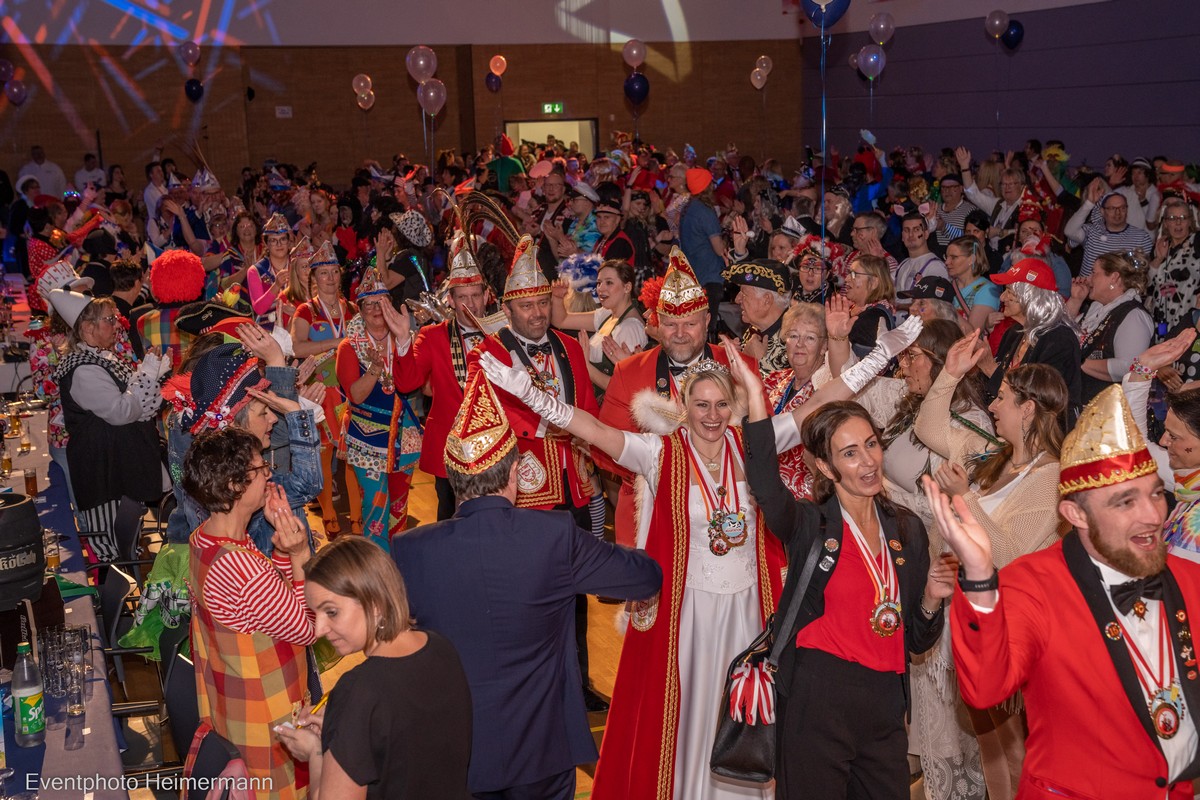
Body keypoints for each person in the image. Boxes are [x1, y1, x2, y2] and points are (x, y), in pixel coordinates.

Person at [484, 312, 927, 800]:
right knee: (690, 716)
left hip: (748, 610)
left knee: (747, 712)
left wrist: (882, 354)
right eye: (701, 405)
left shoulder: (753, 445)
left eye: (720, 404)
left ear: (734, 405)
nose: (712, 416)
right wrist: (528, 393)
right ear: (684, 405)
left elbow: (822, 401)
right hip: (689, 614)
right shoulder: (657, 452)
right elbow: (590, 428)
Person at [392, 370, 661, 800]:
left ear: (452, 477)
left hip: (455, 751)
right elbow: (643, 577)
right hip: (543, 750)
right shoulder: (553, 535)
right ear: (516, 472)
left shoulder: (410, 550)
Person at [927, 384, 1200, 800]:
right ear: (1076, 514)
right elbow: (984, 688)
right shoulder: (1033, 584)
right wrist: (980, 577)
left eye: (1155, 494)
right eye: (1125, 502)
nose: (1152, 516)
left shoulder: (1188, 578)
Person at [739, 361, 950, 798]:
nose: (868, 461)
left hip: (885, 706)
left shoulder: (907, 529)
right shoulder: (809, 526)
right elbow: (766, 487)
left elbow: (916, 641)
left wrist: (931, 597)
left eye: (871, 444)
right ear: (826, 466)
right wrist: (756, 399)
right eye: (850, 453)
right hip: (817, 699)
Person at [464, 233, 607, 710]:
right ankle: (532, 685)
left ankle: (578, 681)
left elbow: (587, 409)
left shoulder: (569, 346)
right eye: (527, 306)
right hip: (522, 487)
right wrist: (550, 423)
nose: (538, 313)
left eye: (543, 303)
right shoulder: (490, 351)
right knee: (527, 590)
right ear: (507, 308)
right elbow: (490, 414)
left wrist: (590, 457)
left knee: (574, 585)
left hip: (572, 481)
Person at [276, 537, 473, 800]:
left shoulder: (358, 691)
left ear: (375, 604)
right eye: (315, 614)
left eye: (331, 612)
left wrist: (316, 751)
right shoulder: (440, 646)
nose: (319, 629)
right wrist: (343, 728)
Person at [184, 427, 318, 800]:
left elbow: (266, 606)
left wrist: (281, 552)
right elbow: (307, 627)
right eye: (261, 469)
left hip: (232, 702)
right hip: (267, 714)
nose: (269, 475)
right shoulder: (241, 568)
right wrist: (300, 554)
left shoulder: (205, 539)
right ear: (234, 485)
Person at [596, 248, 756, 548]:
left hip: (730, 513)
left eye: (690, 324)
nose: (680, 333)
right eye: (670, 324)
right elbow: (607, 450)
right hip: (652, 515)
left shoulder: (742, 368)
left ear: (707, 320)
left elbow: (763, 440)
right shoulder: (628, 373)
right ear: (658, 323)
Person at [49, 288, 167, 560]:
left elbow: (133, 400)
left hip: (119, 468)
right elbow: (121, 411)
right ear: (88, 328)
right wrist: (147, 378)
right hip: (104, 473)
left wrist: (150, 378)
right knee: (112, 552)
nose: (116, 325)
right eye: (109, 319)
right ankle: (114, 586)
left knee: (126, 544)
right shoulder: (83, 369)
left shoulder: (102, 357)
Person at [391, 225, 490, 520]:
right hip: (450, 449)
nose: (470, 304)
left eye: (476, 295)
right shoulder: (433, 336)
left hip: (494, 447)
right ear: (451, 300)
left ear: (487, 296)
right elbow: (407, 383)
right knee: (449, 518)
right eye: (463, 297)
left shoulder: (503, 333)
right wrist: (402, 341)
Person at [336, 267, 418, 549]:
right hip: (366, 439)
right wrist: (374, 367)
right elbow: (356, 396)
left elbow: (418, 383)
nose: (374, 309)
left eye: (380, 302)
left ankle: (398, 560)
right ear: (359, 311)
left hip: (404, 438)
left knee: (399, 509)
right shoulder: (349, 347)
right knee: (375, 509)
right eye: (368, 304)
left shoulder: (404, 339)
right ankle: (378, 566)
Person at [291, 241, 359, 535]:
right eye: (323, 273)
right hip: (320, 392)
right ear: (314, 278)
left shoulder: (353, 308)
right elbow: (297, 347)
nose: (330, 278)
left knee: (353, 454)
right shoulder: (306, 311)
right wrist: (337, 343)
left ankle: (357, 518)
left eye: (334, 272)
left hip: (351, 389)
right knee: (323, 455)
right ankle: (329, 513)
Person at [982, 258, 1082, 419]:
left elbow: (1038, 401)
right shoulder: (1014, 332)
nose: (1002, 297)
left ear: (1031, 297)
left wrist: (990, 368)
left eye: (1009, 292)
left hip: (1047, 429)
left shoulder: (1060, 340)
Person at [1065, 250, 1154, 404]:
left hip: (1110, 410)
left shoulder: (1133, 316)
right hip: (1083, 402)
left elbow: (1130, 367)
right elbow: (1059, 335)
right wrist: (1075, 300)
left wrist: (1079, 362)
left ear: (1114, 277)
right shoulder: (1097, 309)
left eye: (1094, 273)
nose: (1088, 279)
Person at [549, 260, 647, 394]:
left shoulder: (630, 328)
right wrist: (558, 298)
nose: (600, 288)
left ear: (627, 287)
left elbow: (624, 389)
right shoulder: (607, 314)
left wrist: (585, 366)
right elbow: (561, 320)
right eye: (599, 283)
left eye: (609, 283)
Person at [762, 302, 828, 500]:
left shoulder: (827, 389)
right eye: (793, 336)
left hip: (804, 496)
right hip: (761, 485)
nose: (800, 344)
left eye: (810, 337)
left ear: (824, 346)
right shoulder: (773, 380)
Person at [1064, 181, 1153, 277]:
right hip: (1089, 285)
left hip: (1122, 286)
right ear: (1102, 211)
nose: (1118, 212)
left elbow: (1142, 271)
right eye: (1112, 208)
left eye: (1122, 208)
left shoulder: (1141, 237)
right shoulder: (1092, 231)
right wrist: (1089, 203)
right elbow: (1069, 231)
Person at [678, 169, 727, 339]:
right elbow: (719, 249)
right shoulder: (706, 212)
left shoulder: (687, 209)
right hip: (710, 276)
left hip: (693, 276)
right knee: (707, 328)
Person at [727, 257, 792, 377]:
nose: (737, 299)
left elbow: (786, 386)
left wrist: (756, 362)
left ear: (766, 300)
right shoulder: (755, 329)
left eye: (744, 293)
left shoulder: (794, 339)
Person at [1148, 197, 1200, 334]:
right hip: (1161, 317)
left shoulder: (1197, 242)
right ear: (1165, 223)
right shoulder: (1160, 245)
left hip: (1188, 318)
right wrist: (1159, 259)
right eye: (1172, 218)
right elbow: (1147, 284)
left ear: (1190, 221)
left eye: (1183, 217)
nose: (1178, 222)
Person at [844, 253, 897, 357]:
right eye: (849, 273)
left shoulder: (874, 316)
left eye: (854, 274)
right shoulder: (859, 310)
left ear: (874, 282)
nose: (846, 279)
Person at [247, 212, 293, 327]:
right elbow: (259, 309)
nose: (279, 244)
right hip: (268, 328)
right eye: (273, 240)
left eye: (283, 239)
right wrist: (276, 285)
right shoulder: (256, 271)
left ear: (289, 241)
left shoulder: (297, 265)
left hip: (297, 325)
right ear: (266, 244)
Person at [895, 212, 948, 298]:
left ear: (926, 234)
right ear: (902, 236)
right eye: (906, 230)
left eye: (916, 230)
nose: (911, 235)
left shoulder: (936, 266)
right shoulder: (903, 264)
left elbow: (937, 302)